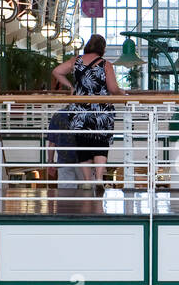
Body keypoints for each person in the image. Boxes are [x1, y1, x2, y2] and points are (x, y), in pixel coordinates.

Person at [51, 34, 128, 194]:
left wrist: (71, 87)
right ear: (102, 48)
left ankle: (87, 181)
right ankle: (99, 178)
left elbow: (57, 71)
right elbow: (113, 89)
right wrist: (123, 93)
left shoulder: (76, 61)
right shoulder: (105, 65)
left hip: (80, 111)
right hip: (101, 112)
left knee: (83, 145)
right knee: (101, 144)